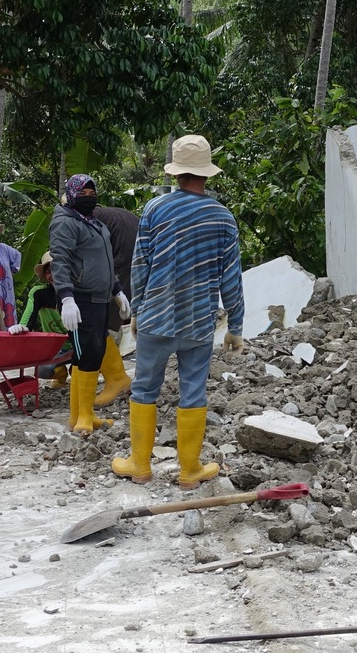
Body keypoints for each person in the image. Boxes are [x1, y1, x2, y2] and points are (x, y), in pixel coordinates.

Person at [112, 134, 244, 488]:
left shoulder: (156, 209)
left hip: (156, 315)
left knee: (144, 389)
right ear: (206, 173)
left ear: (175, 173)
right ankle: (189, 471)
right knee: (193, 391)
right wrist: (236, 325)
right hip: (198, 320)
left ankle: (139, 466)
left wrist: (137, 309)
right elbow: (230, 277)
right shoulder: (223, 217)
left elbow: (140, 265)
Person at [46, 175, 132, 436]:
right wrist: (67, 297)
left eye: (91, 191)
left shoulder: (94, 223)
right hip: (79, 299)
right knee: (84, 356)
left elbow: (105, 262)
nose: (88, 195)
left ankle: (82, 415)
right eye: (82, 191)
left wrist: (117, 290)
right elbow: (60, 260)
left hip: (99, 299)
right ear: (71, 194)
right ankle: (82, 416)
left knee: (93, 354)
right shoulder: (65, 223)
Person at [92, 204, 138, 405]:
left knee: (102, 318)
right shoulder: (109, 214)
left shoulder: (91, 219)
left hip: (128, 259)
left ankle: (117, 379)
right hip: (142, 255)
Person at [10, 251, 70, 388]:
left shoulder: (78, 291)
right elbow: (27, 321)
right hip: (56, 348)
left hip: (80, 345)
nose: (53, 275)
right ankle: (61, 374)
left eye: (58, 269)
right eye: (49, 271)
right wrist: (21, 327)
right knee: (42, 371)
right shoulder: (39, 293)